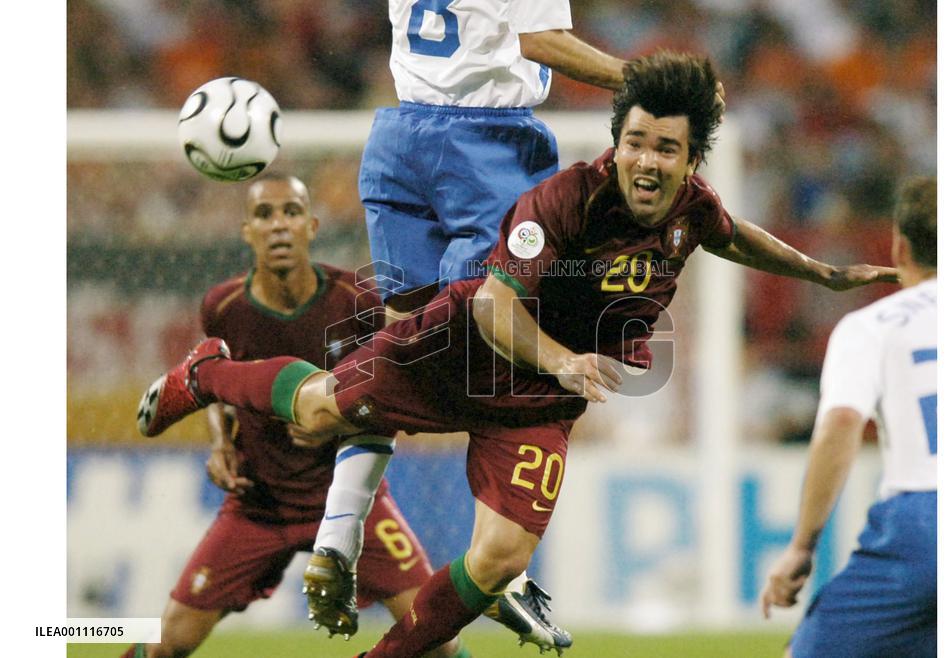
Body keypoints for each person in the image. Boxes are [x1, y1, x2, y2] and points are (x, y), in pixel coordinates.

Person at [138, 51, 897, 658]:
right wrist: (566, 358)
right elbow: (494, 305)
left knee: (499, 557)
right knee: (313, 414)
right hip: (459, 350)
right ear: (615, 141)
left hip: (536, 404)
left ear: (690, 159)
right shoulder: (562, 200)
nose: (645, 160)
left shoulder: (690, 209)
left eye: (665, 149)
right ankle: (205, 375)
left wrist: (821, 271)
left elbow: (730, 234)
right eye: (634, 141)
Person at [126, 174, 474, 658]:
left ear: (311, 225)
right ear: (246, 230)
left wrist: (339, 421)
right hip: (258, 504)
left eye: (290, 212)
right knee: (170, 642)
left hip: (350, 503)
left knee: (441, 640)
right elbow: (219, 384)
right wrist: (220, 442)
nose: (278, 226)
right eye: (264, 215)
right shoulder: (223, 308)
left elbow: (390, 388)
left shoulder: (356, 302)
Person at [759, 178, 936, 657]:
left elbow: (841, 425)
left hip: (924, 524)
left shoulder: (872, 326)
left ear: (899, 248)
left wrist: (802, 546)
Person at [364, 0, 628, 321]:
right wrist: (646, 78)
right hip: (487, 144)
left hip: (399, 138)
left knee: (407, 315)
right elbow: (541, 41)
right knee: (488, 306)